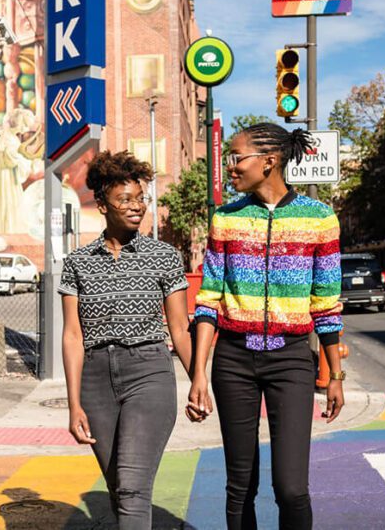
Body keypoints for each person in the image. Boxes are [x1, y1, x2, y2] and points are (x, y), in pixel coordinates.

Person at [189, 123, 345, 530]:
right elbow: (208, 299)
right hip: (233, 358)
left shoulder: (319, 218)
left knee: (291, 487)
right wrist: (198, 374)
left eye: (237, 157)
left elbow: (326, 305)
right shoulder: (225, 219)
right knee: (240, 484)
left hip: (292, 359)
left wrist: (335, 377)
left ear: (270, 161)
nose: (231, 166)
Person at [59, 151, 195, 529]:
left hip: (149, 372)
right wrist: (73, 404)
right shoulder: (78, 262)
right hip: (95, 380)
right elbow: (72, 335)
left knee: (134, 489)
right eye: (126, 200)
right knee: (120, 489)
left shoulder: (164, 256)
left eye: (141, 198)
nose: (137, 207)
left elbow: (180, 328)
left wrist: (199, 379)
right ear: (102, 205)